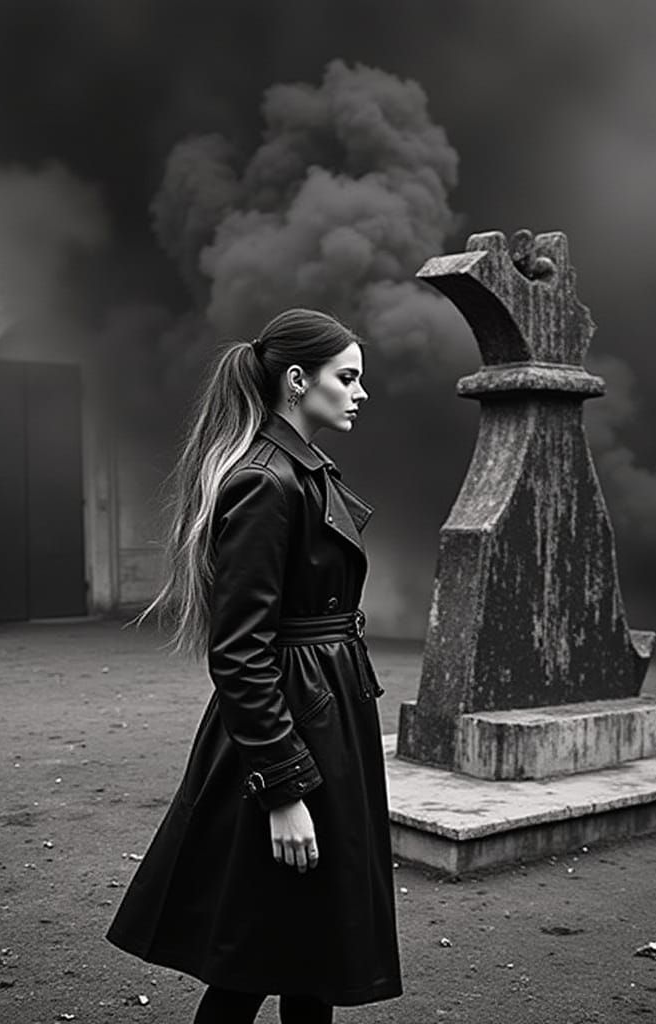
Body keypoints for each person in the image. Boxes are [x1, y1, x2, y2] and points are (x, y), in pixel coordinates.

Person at [105, 308, 403, 1022]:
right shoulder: (266, 484)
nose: (361, 393)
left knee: (311, 953)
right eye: (348, 377)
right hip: (289, 725)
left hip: (322, 712)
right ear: (298, 381)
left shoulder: (301, 472)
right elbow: (240, 654)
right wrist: (283, 790)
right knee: (254, 961)